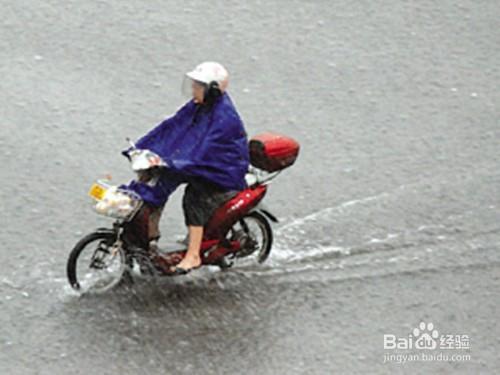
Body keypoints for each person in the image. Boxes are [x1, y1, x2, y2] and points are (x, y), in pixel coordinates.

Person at [121, 62, 249, 274]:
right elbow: (171, 127)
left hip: (221, 172)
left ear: (212, 89)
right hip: (201, 165)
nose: (193, 90)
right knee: (158, 180)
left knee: (194, 197)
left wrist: (171, 162)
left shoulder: (224, 118)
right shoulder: (199, 106)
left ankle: (193, 255)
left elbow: (204, 151)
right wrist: (143, 148)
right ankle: (149, 240)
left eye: (198, 86)